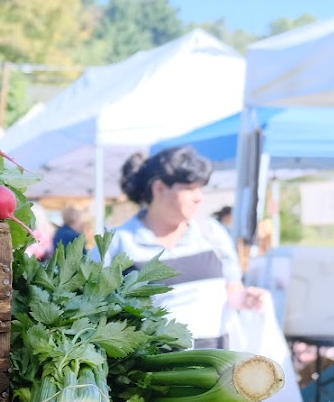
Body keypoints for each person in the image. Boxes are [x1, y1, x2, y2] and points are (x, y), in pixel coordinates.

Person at [104, 147, 264, 349]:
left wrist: (248, 299)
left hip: (216, 363)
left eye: (201, 189)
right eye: (190, 189)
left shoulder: (211, 233)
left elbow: (233, 290)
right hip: (149, 369)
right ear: (159, 188)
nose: (199, 197)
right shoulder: (119, 243)